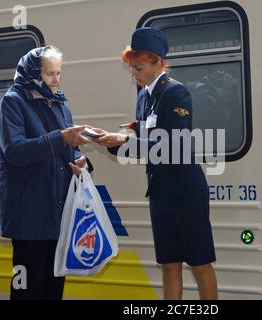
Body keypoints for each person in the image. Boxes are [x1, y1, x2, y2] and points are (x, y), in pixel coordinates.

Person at [91, 28, 218, 300]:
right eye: (131, 68)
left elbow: (173, 145)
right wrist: (112, 142)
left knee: (199, 263)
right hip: (160, 193)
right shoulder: (144, 97)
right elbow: (148, 144)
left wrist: (124, 141)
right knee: (169, 265)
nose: (134, 74)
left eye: (138, 68)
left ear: (157, 62)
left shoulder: (176, 93)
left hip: (186, 192)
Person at [0, 46, 92, 300]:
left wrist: (81, 161)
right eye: (50, 74)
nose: (56, 79)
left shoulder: (60, 103)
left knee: (53, 288)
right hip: (28, 216)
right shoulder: (13, 101)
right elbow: (15, 151)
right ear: (33, 74)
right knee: (27, 290)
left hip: (55, 214)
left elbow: (69, 147)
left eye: (58, 73)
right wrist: (60, 138)